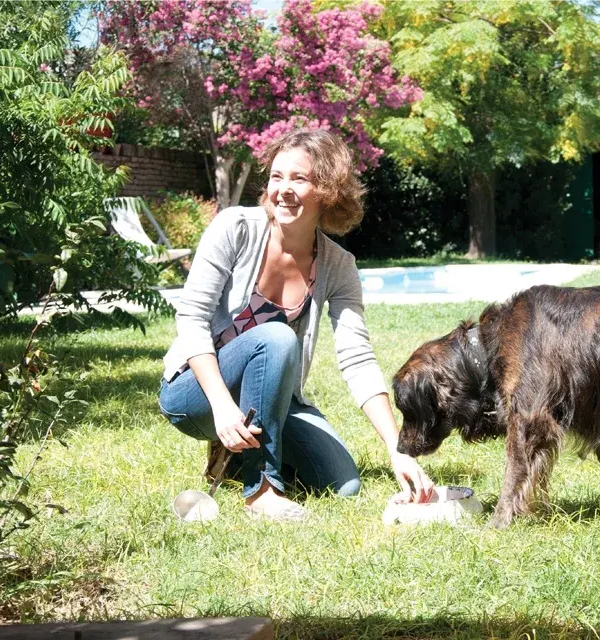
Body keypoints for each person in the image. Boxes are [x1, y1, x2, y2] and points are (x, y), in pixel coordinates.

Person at [158, 128, 434, 520]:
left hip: (272, 395)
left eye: (299, 178)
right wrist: (222, 407)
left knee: (343, 483)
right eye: (276, 176)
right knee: (275, 337)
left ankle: (238, 458)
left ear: (328, 189)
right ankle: (263, 490)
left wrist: (398, 448)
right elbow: (191, 318)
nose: (283, 189)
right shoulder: (235, 228)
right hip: (195, 393)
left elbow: (357, 359)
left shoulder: (338, 266)